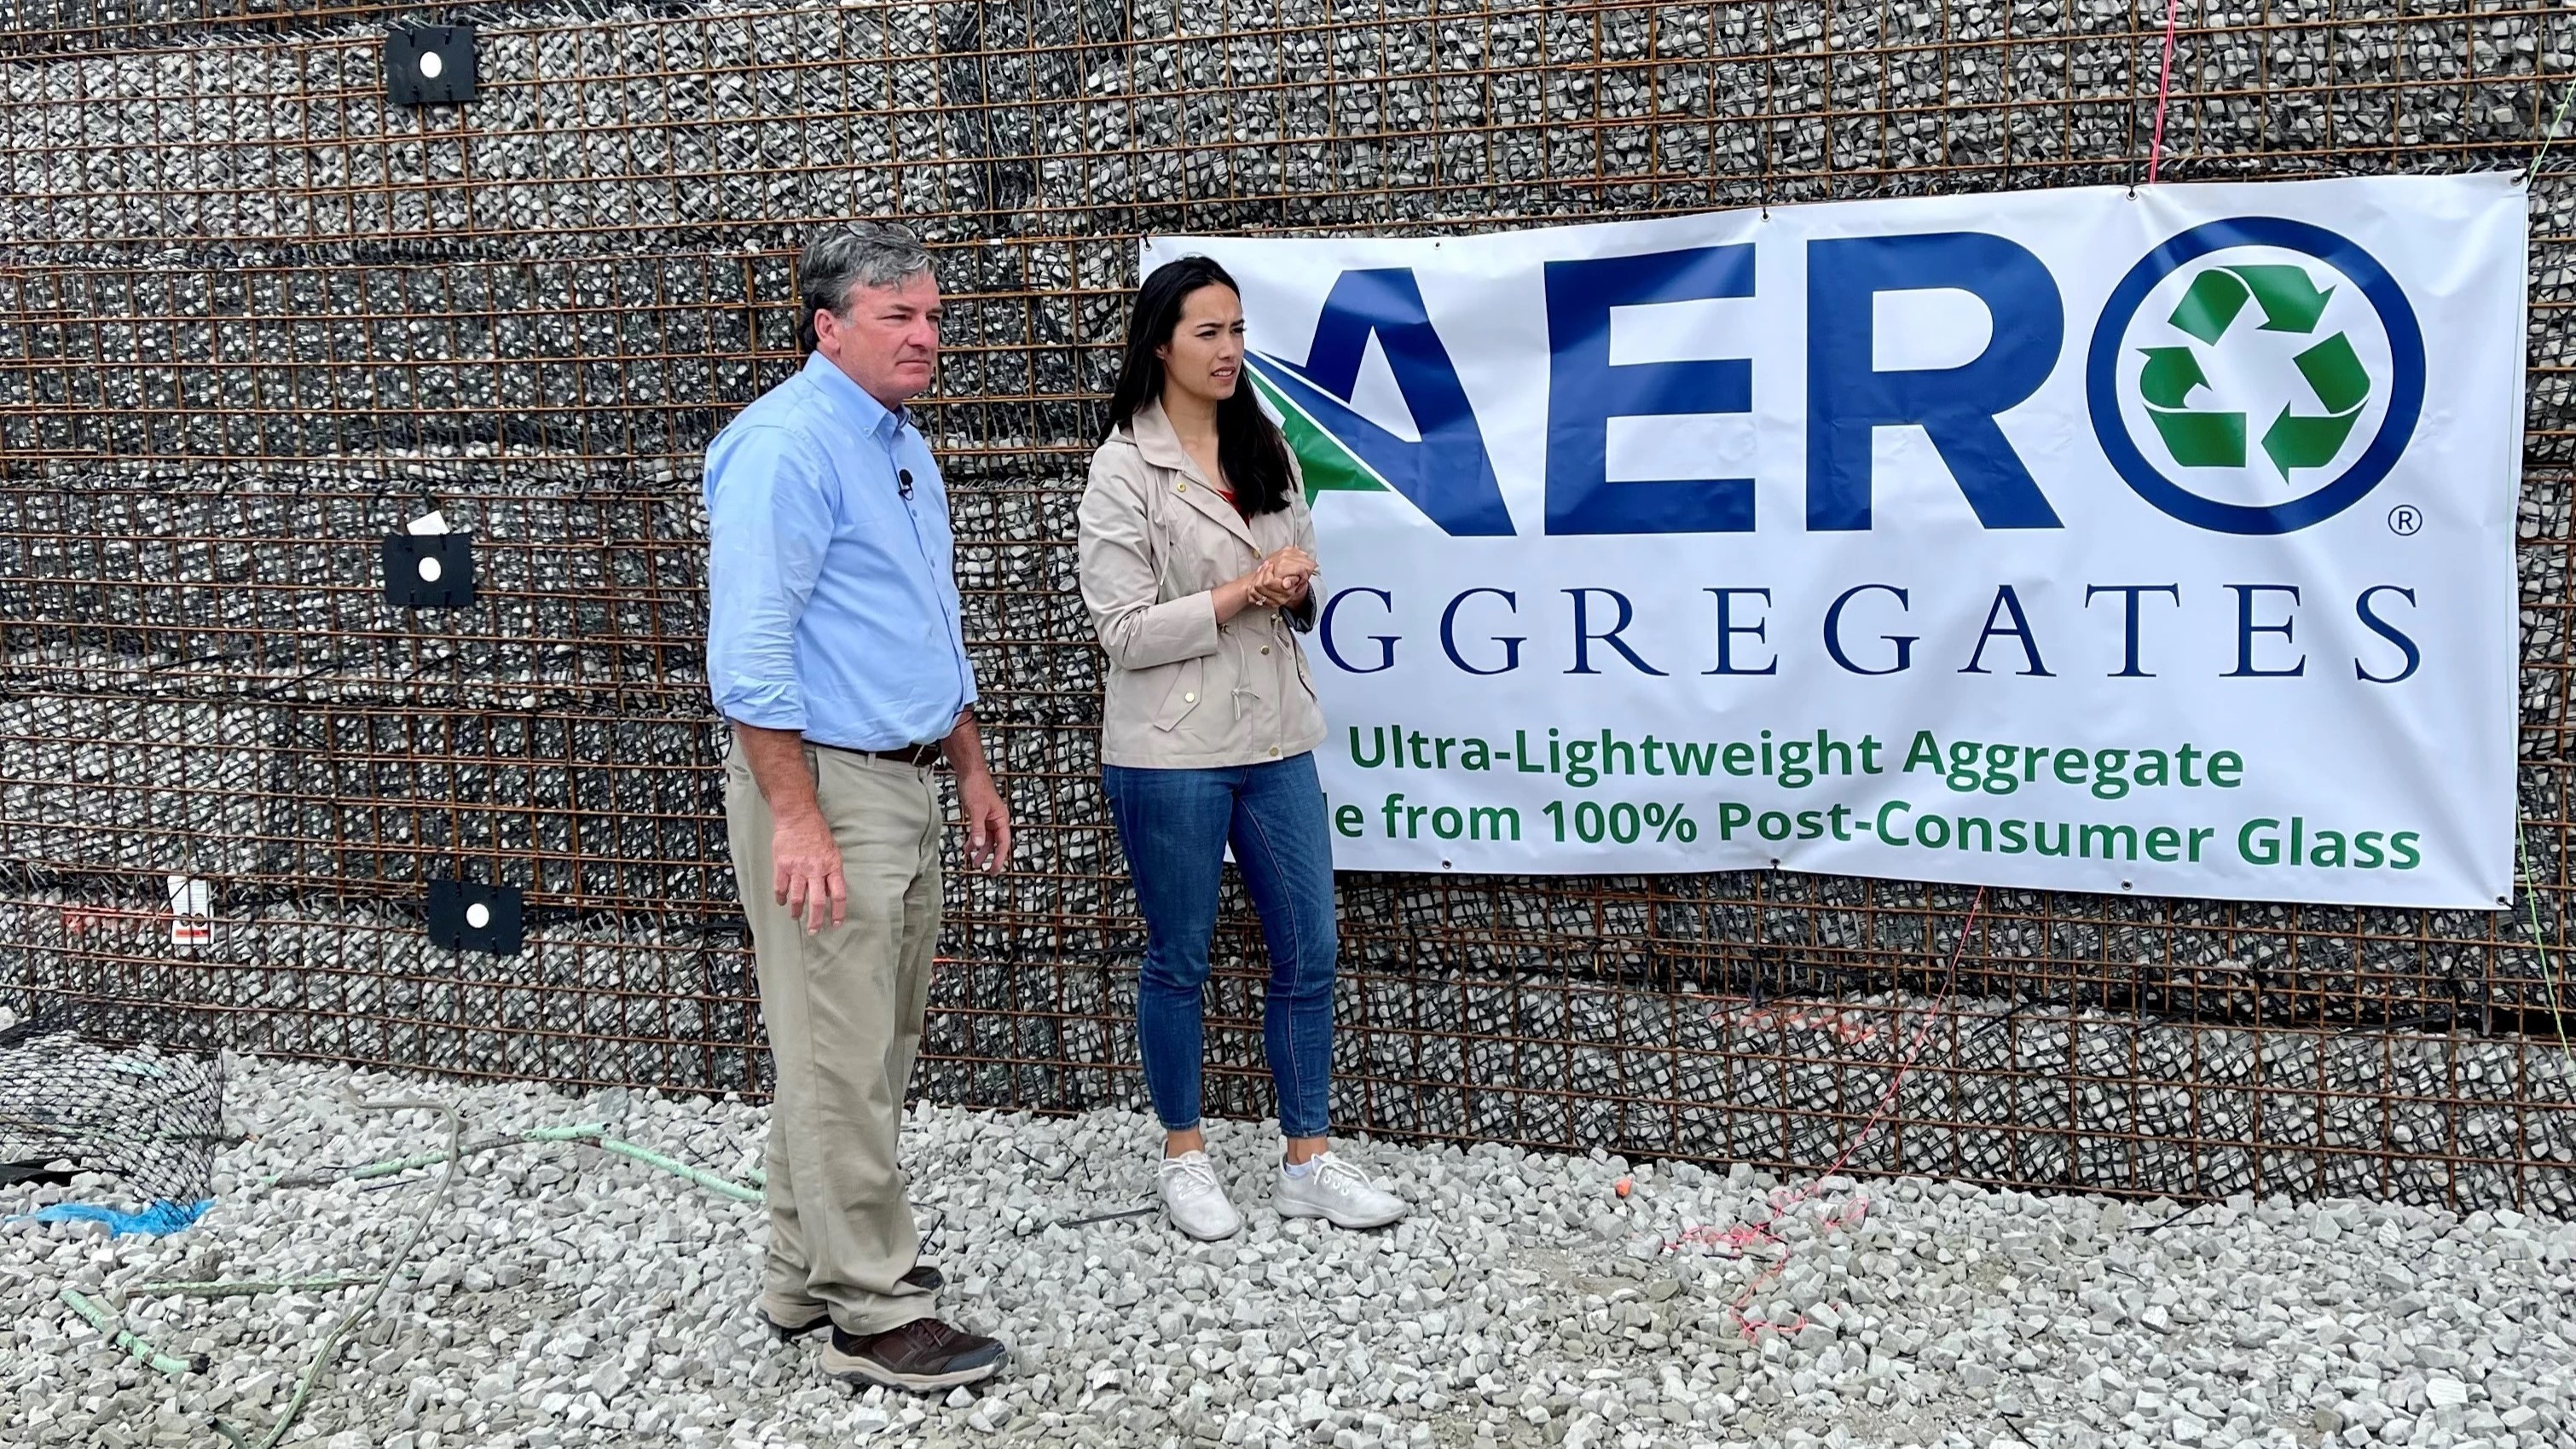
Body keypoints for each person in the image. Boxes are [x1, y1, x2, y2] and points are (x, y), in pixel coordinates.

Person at [703, 222, 1013, 1392]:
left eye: (933, 315)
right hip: (824, 781)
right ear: (827, 326)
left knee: (854, 1043)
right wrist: (797, 815)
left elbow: (923, 618)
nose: (926, 335)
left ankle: (801, 1269)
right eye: (899, 316)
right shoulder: (787, 447)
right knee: (844, 1053)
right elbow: (751, 653)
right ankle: (874, 1309)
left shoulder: (896, 446)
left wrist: (969, 761)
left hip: (903, 771)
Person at [1075, 255, 1409, 1242]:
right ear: (1159, 346)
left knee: (1311, 947)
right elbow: (1123, 630)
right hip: (1170, 746)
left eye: (1237, 330)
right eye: (1208, 333)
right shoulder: (1122, 469)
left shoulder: (1265, 444)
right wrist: (1242, 593)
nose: (1229, 350)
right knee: (1179, 957)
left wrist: (1295, 584)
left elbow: (1295, 586)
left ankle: (1307, 1157)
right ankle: (1185, 1154)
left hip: (1276, 736)